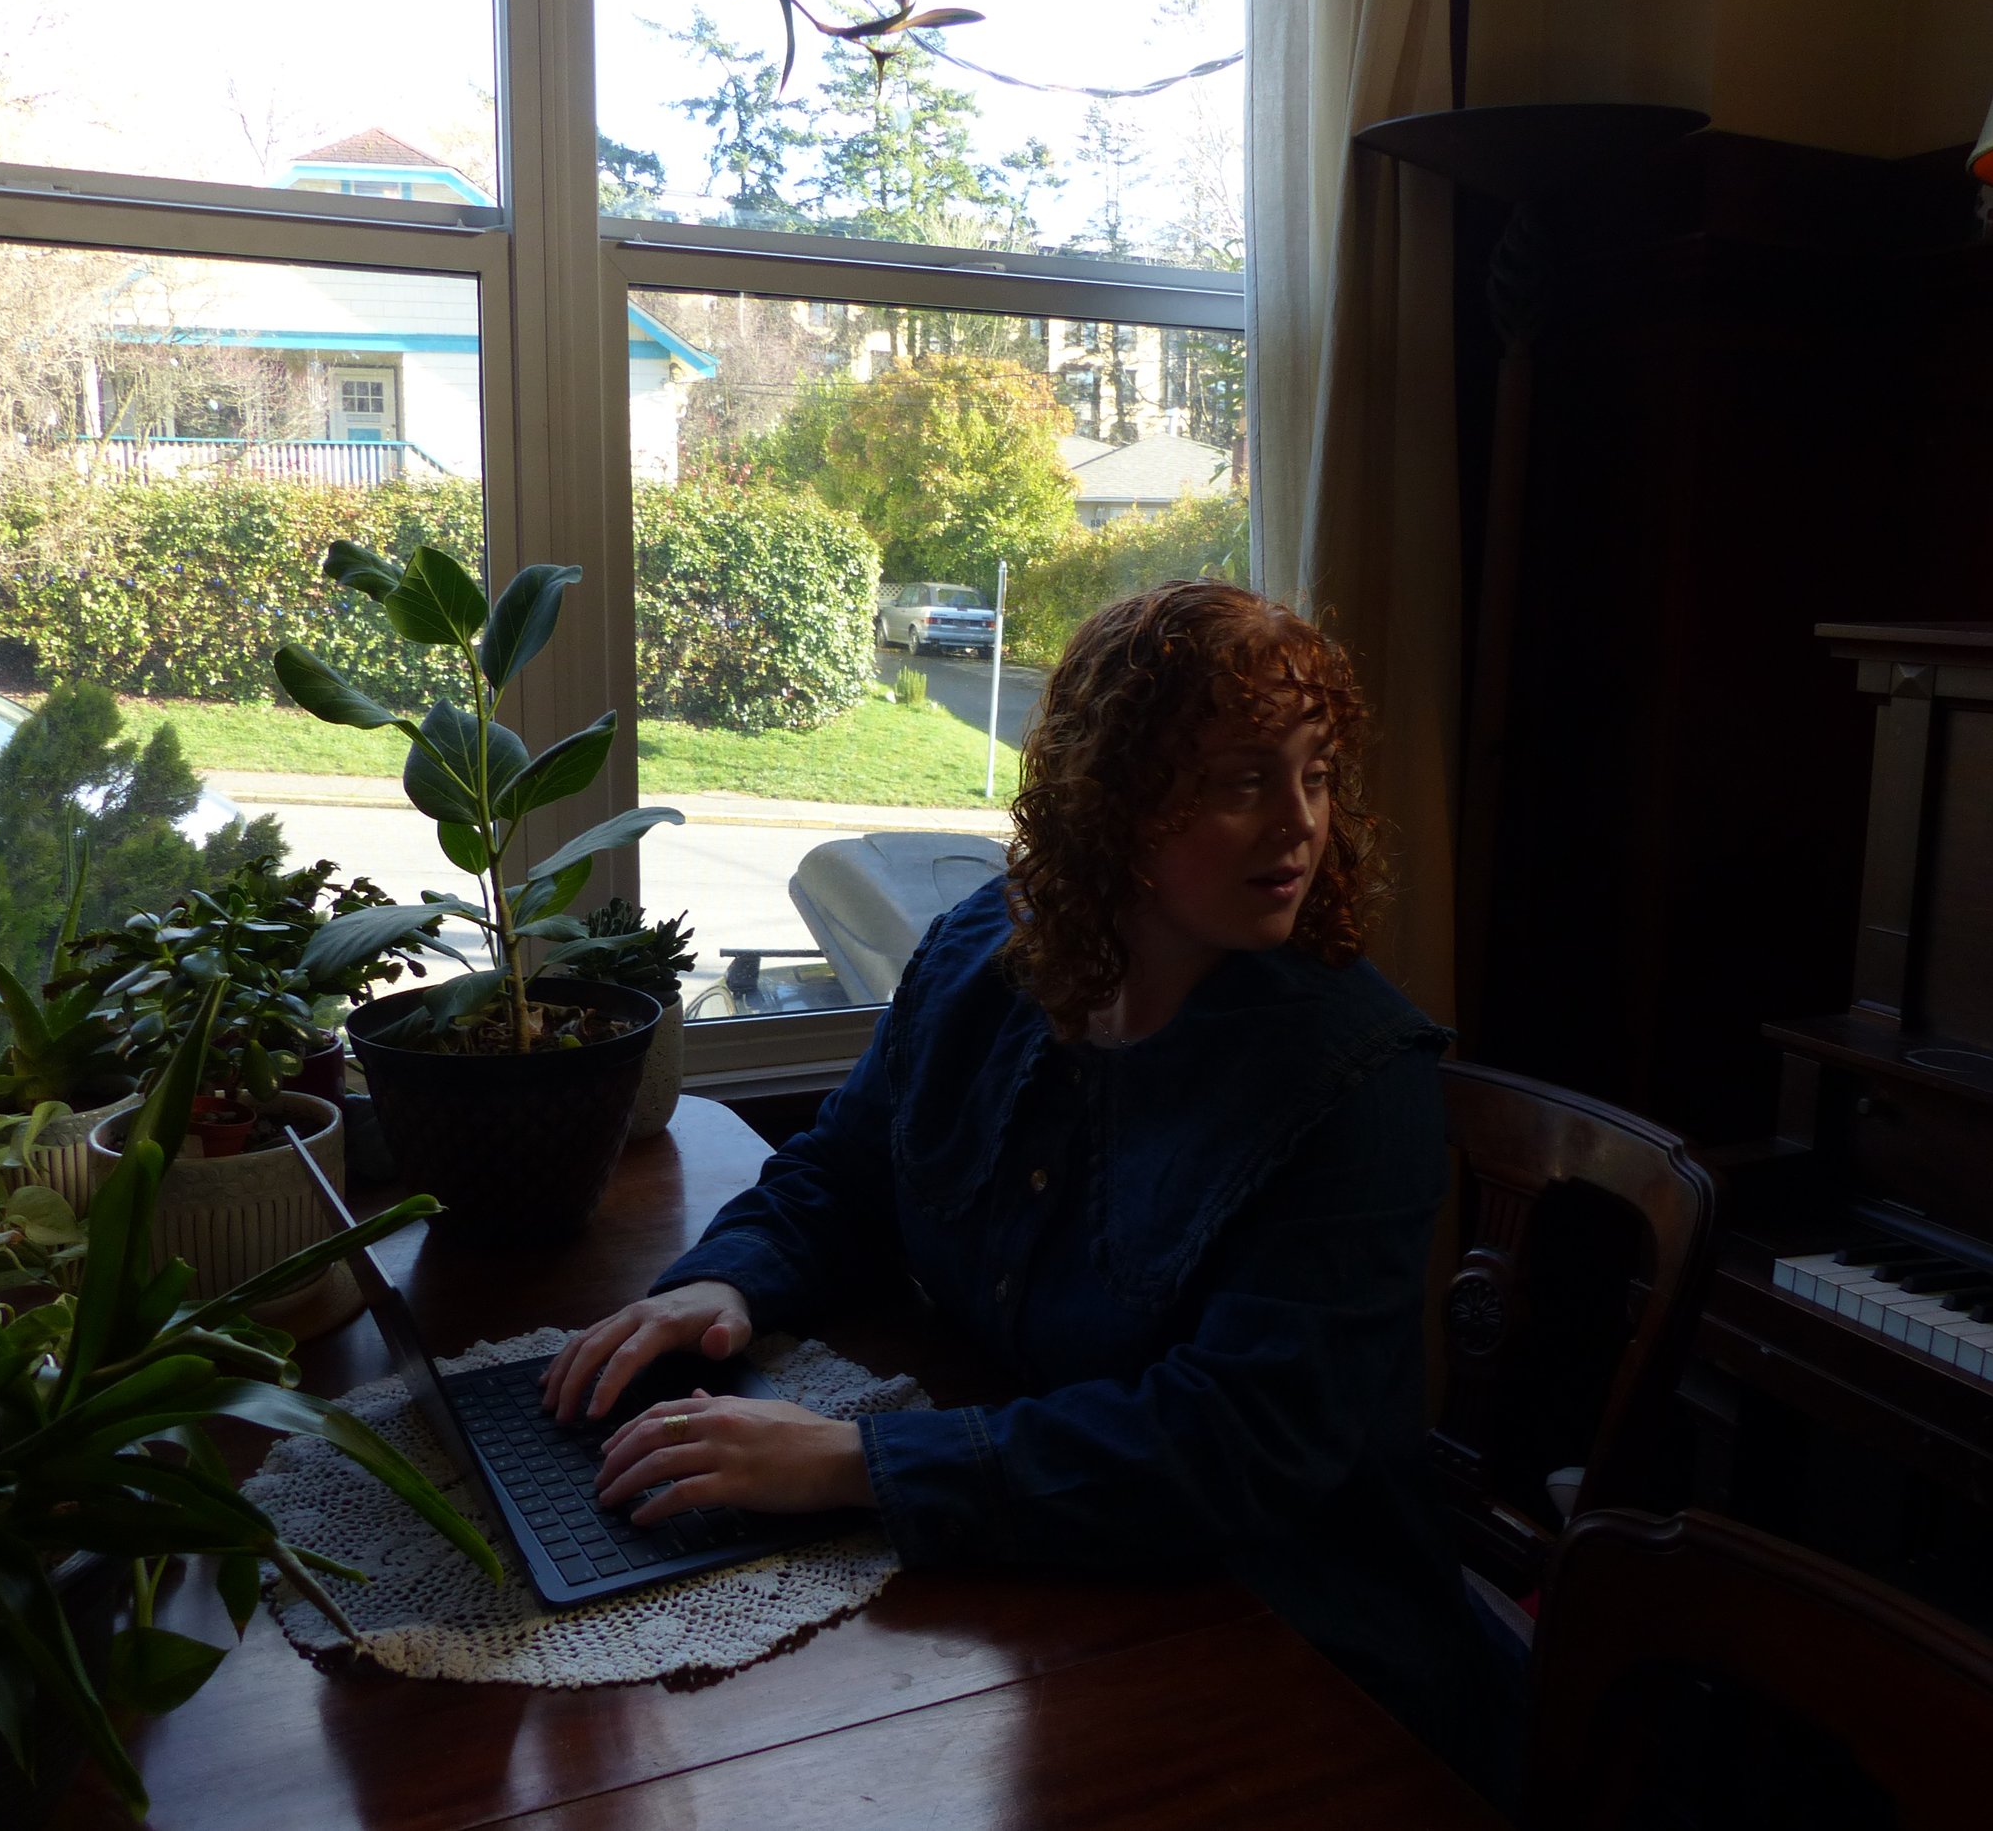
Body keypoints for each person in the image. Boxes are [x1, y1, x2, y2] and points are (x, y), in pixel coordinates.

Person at [544, 580, 1498, 1768]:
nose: (1298, 824)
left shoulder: (1354, 1077)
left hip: (1287, 1639)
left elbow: (1234, 1446)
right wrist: (728, 1283)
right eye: (1242, 780)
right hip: (1037, 1594)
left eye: (1312, 776)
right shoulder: (979, 953)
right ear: (1118, 799)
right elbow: (848, 1168)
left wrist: (851, 1463)